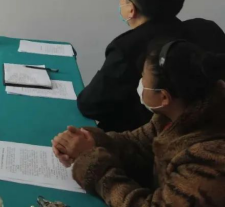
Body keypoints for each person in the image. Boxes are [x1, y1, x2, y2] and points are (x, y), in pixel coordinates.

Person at [52, 40, 225, 206]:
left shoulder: (211, 160)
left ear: (164, 97)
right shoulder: (175, 115)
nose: (140, 83)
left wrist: (93, 164)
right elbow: (137, 144)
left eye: (143, 78)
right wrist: (88, 141)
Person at [77, 0, 225, 132]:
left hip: (145, 137)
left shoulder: (127, 47)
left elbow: (90, 105)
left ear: (131, 9)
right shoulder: (207, 29)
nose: (120, 0)